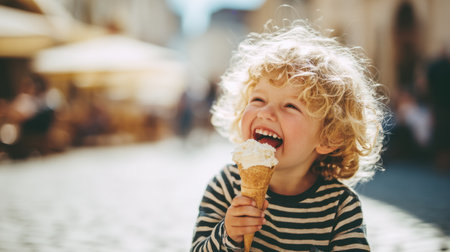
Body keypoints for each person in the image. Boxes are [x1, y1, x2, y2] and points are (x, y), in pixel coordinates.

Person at [191, 19, 387, 251]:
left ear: (328, 137)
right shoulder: (225, 186)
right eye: (258, 99)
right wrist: (229, 234)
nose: (266, 113)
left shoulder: (340, 206)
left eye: (291, 106)